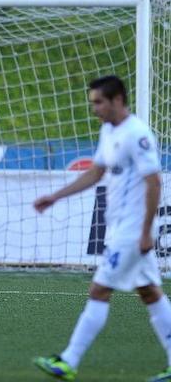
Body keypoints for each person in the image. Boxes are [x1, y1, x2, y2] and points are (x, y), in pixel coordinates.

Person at [32, 75, 171, 382]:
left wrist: (146, 231)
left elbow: (154, 182)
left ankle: (68, 361)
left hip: (133, 232)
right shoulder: (109, 130)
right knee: (149, 292)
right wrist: (55, 196)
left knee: (99, 289)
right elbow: (96, 172)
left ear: (117, 100)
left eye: (98, 102)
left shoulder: (137, 134)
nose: (94, 108)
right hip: (120, 227)